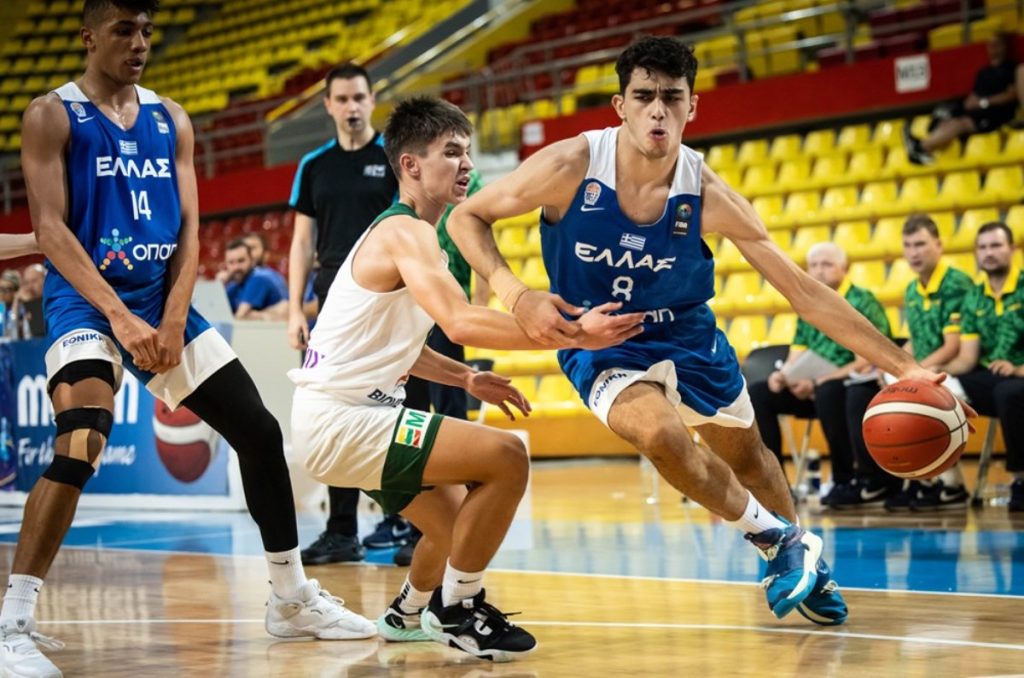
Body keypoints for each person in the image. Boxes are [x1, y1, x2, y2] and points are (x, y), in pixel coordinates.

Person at [448, 35, 950, 626]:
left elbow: (805, 293)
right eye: (643, 97)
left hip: (688, 335)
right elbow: (466, 216)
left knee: (753, 459)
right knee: (661, 435)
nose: (657, 110)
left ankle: (802, 562)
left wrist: (904, 368)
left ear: (692, 108)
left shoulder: (707, 193)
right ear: (620, 106)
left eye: (671, 97)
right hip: (599, 339)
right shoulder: (569, 166)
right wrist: (518, 293)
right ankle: (780, 543)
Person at [2, 3, 376, 676]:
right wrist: (120, 318)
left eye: (146, 30)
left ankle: (290, 599)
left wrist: (174, 316)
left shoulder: (171, 116)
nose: (140, 43)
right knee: (83, 435)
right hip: (86, 301)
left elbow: (190, 224)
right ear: (89, 37)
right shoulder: (50, 115)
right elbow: (52, 232)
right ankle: (13, 625)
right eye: (124, 31)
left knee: (259, 432)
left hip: (161, 299)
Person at [289, 96, 640, 660]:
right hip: (347, 419)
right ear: (410, 166)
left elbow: (393, 346)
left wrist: (465, 379)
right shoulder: (409, 233)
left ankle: (406, 614)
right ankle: (458, 609)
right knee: (506, 458)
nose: (467, 165)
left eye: (468, 152)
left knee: (455, 529)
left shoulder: (403, 236)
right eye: (451, 152)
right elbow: (458, 320)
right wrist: (574, 334)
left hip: (343, 418)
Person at [286, 62, 402, 566]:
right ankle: (340, 531)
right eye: (342, 99)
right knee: (336, 412)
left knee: (393, 407)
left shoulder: (394, 157)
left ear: (372, 100)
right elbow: (301, 241)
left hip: (385, 297)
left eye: (360, 97)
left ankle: (403, 519)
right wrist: (294, 308)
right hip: (331, 300)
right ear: (329, 105)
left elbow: (407, 227)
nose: (352, 107)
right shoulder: (314, 165)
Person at [386, 168, 487, 568]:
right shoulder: (410, 194)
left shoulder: (472, 185)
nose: (457, 159)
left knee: (449, 416)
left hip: (449, 307)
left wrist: (478, 304)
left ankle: (463, 524)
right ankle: (423, 525)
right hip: (412, 307)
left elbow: (481, 242)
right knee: (410, 418)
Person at [748, 242, 898, 509]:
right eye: (814, 265)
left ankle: (845, 479)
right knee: (761, 392)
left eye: (827, 264)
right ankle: (776, 485)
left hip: (849, 384)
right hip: (813, 384)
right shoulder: (807, 302)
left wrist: (818, 383)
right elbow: (798, 351)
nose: (819, 271)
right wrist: (783, 376)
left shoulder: (863, 301)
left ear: (845, 268)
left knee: (831, 392)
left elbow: (867, 361)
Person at [886, 213, 973, 511]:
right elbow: (914, 340)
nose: (914, 252)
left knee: (921, 402)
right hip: (926, 366)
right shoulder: (912, 289)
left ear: (939, 245)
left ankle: (951, 486)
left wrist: (915, 371)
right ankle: (924, 481)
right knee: (884, 386)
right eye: (908, 245)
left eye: (921, 244)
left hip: (956, 367)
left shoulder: (956, 284)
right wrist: (894, 363)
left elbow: (952, 347)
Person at [943, 222, 1024, 511]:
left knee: (1010, 393)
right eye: (983, 247)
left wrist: (1017, 369)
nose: (989, 253)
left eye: (996, 245)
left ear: (1012, 249)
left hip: (1018, 376)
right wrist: (934, 375)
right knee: (942, 390)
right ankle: (945, 484)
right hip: (994, 377)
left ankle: (1019, 479)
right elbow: (967, 358)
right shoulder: (974, 297)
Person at [903, 33, 1018, 164]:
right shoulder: (983, 72)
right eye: (990, 45)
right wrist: (970, 102)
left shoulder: (1011, 69)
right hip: (976, 114)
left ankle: (920, 147)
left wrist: (983, 102)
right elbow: (974, 95)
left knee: (960, 123)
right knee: (948, 121)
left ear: (1004, 46)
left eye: (997, 44)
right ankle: (926, 153)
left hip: (996, 115)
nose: (993, 48)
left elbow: (1011, 95)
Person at [223, 238, 287, 319]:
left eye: (241, 261)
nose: (236, 267)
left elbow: (240, 317)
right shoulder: (233, 287)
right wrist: (220, 284)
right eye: (231, 262)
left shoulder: (258, 279)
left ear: (252, 261)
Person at [19, 263, 47, 338]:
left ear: (45, 279)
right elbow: (17, 334)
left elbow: (41, 330)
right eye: (27, 283)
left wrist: (30, 303)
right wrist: (17, 300)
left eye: (34, 281)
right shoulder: (28, 301)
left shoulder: (52, 299)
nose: (30, 286)